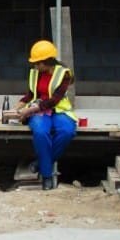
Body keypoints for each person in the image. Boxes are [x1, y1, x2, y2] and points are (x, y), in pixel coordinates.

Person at [16, 40, 78, 190]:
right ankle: (47, 176)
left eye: (38, 63)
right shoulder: (35, 73)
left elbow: (55, 100)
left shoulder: (64, 74)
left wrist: (30, 110)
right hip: (39, 110)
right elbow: (31, 94)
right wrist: (22, 103)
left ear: (47, 62)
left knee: (67, 131)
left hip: (57, 109)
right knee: (41, 132)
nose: (35, 66)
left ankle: (40, 163)